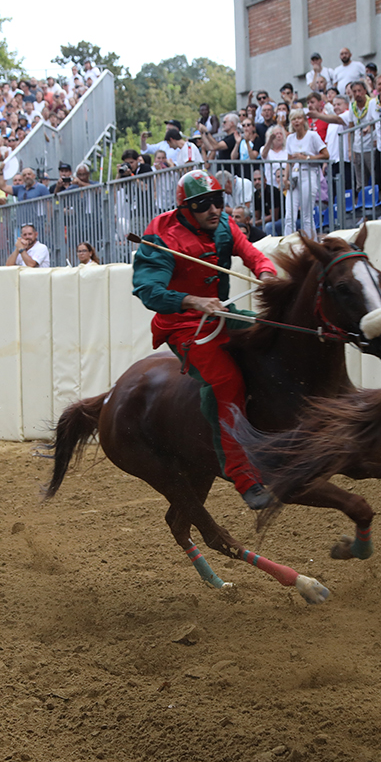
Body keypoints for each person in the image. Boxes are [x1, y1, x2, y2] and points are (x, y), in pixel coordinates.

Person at [131, 169, 279, 510]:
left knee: (276, 335)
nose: (213, 210)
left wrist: (266, 273)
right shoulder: (161, 235)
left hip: (221, 313)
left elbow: (253, 254)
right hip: (183, 325)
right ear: (185, 209)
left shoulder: (225, 224)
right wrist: (193, 301)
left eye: (217, 201)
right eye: (202, 205)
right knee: (226, 381)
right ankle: (244, 478)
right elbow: (148, 291)